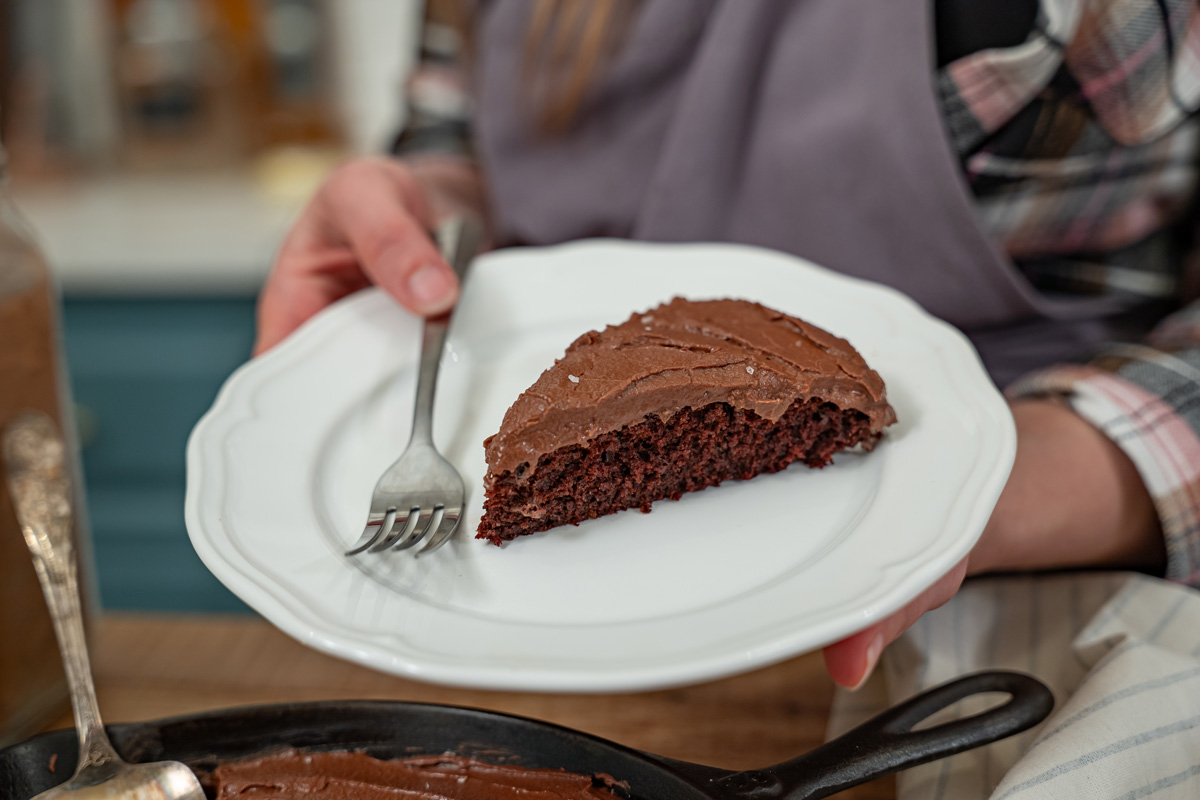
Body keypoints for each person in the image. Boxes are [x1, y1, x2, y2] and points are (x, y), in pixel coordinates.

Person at [254, 0, 1198, 691]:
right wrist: (425, 217)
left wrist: (974, 496)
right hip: (509, 653)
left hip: (1010, 639)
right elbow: (454, 125)